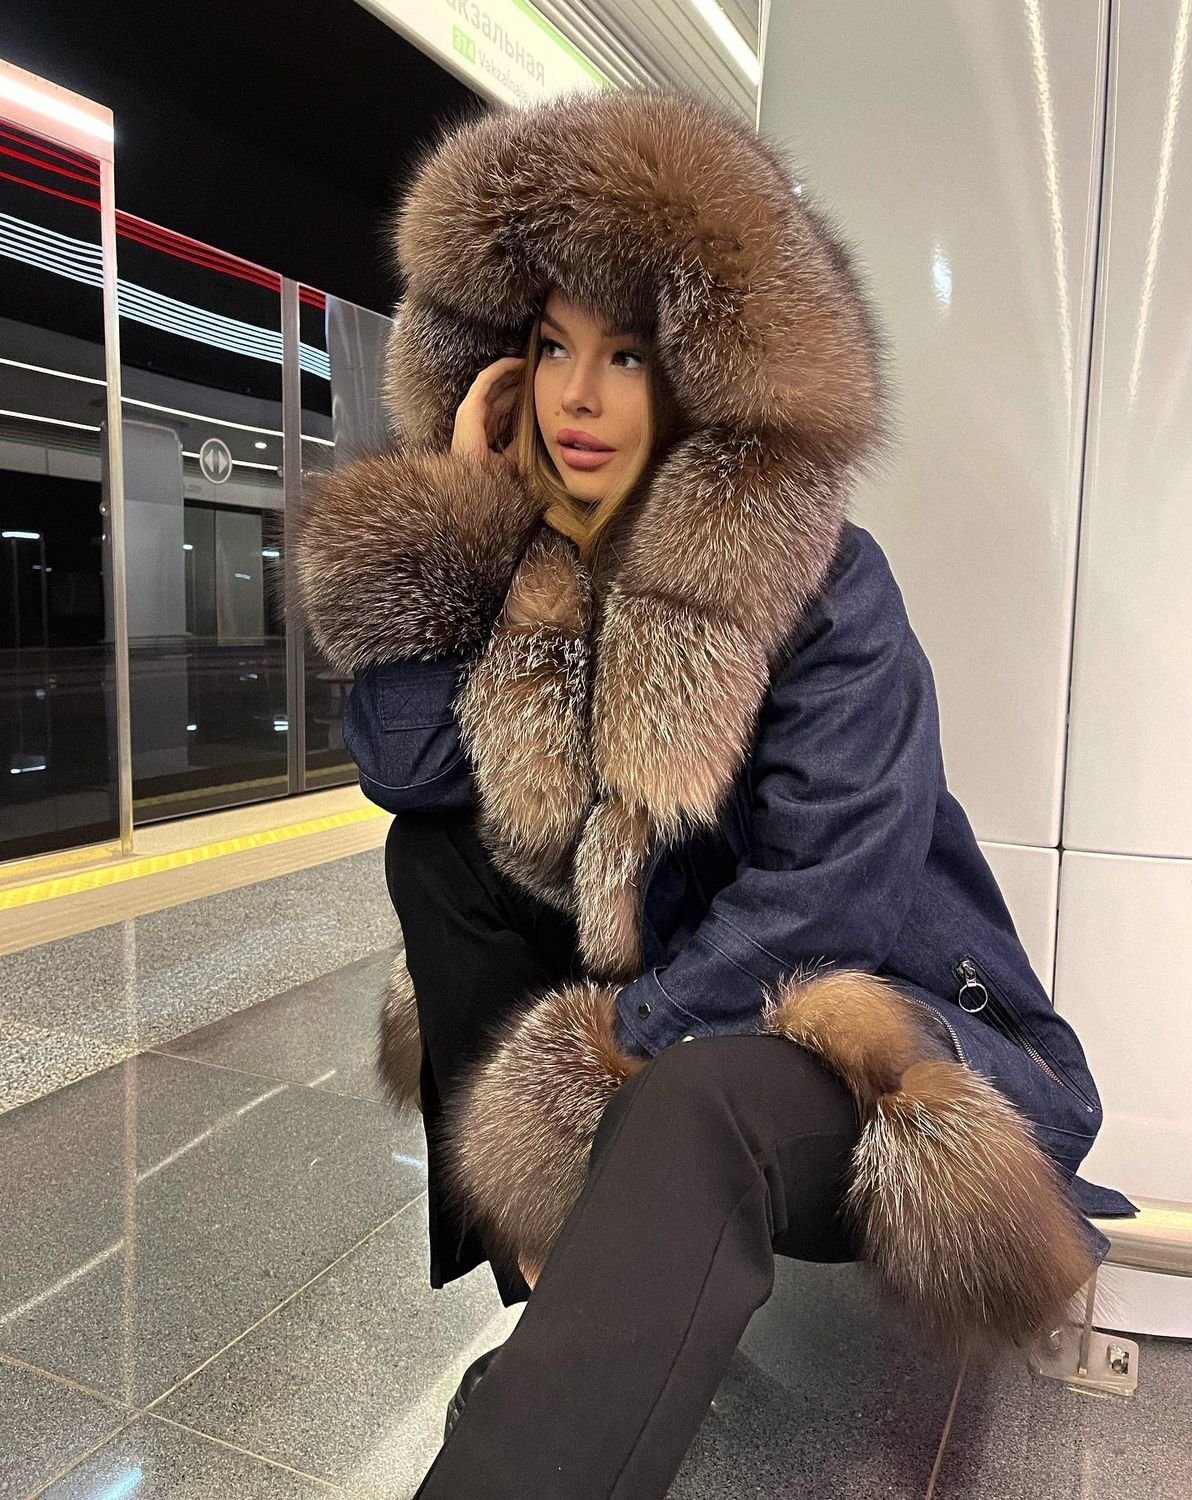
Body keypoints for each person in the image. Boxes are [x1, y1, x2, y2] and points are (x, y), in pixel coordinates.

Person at [295, 84, 1136, 1500]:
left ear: (697, 373)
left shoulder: (826, 582)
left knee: (694, 1098)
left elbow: (833, 899)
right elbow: (409, 773)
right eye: (551, 347)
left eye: (625, 354)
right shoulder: (549, 565)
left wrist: (602, 1059)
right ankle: (571, 1330)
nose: (576, 396)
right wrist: (454, 514)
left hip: (874, 1038)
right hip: (681, 1009)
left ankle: (550, 1404)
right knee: (435, 858)